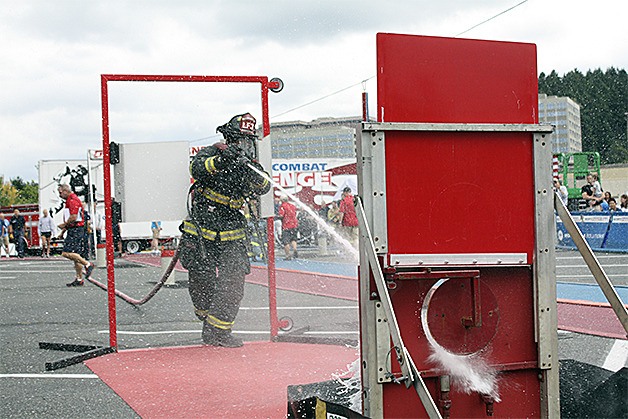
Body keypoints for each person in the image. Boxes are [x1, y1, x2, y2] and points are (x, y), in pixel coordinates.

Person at [178, 113, 271, 348]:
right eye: (239, 140)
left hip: (233, 230)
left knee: (233, 283)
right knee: (202, 281)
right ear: (230, 139)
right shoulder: (214, 152)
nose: (244, 145)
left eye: (248, 141)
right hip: (202, 228)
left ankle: (219, 332)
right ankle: (206, 317)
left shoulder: (250, 162)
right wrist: (222, 161)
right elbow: (196, 168)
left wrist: (250, 171)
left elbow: (265, 186)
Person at [57, 184, 94, 287]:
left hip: (76, 230)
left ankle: (87, 264)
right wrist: (62, 232)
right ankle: (79, 278)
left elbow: (73, 217)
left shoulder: (72, 200)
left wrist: (64, 225)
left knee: (66, 253)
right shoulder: (70, 200)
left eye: (60, 192)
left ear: (65, 191)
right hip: (74, 229)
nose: (60, 195)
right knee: (75, 255)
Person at [278, 195, 299, 260]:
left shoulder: (282, 206)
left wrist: (276, 217)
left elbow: (281, 215)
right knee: (293, 239)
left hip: (286, 225)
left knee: (286, 241)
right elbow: (295, 214)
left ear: (282, 200)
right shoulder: (292, 206)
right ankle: (295, 249)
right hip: (294, 224)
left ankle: (287, 255)